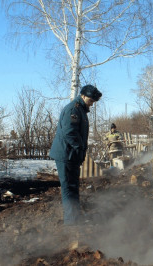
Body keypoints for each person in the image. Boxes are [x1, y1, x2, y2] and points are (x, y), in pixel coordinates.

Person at [49, 84, 102, 225]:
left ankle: (75, 218)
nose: (92, 104)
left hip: (72, 155)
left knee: (73, 186)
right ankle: (71, 224)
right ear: (83, 96)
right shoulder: (73, 109)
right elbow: (69, 132)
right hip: (66, 155)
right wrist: (80, 148)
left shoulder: (81, 110)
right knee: (68, 188)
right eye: (91, 101)